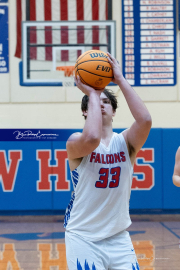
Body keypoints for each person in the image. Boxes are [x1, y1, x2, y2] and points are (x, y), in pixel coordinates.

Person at [64, 52, 152, 270]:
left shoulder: (126, 142)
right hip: (83, 238)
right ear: (85, 111)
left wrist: (120, 79)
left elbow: (145, 120)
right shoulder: (75, 142)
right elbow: (92, 138)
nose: (101, 104)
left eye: (107, 102)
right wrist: (93, 93)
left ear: (113, 112)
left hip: (118, 237)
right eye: (96, 102)